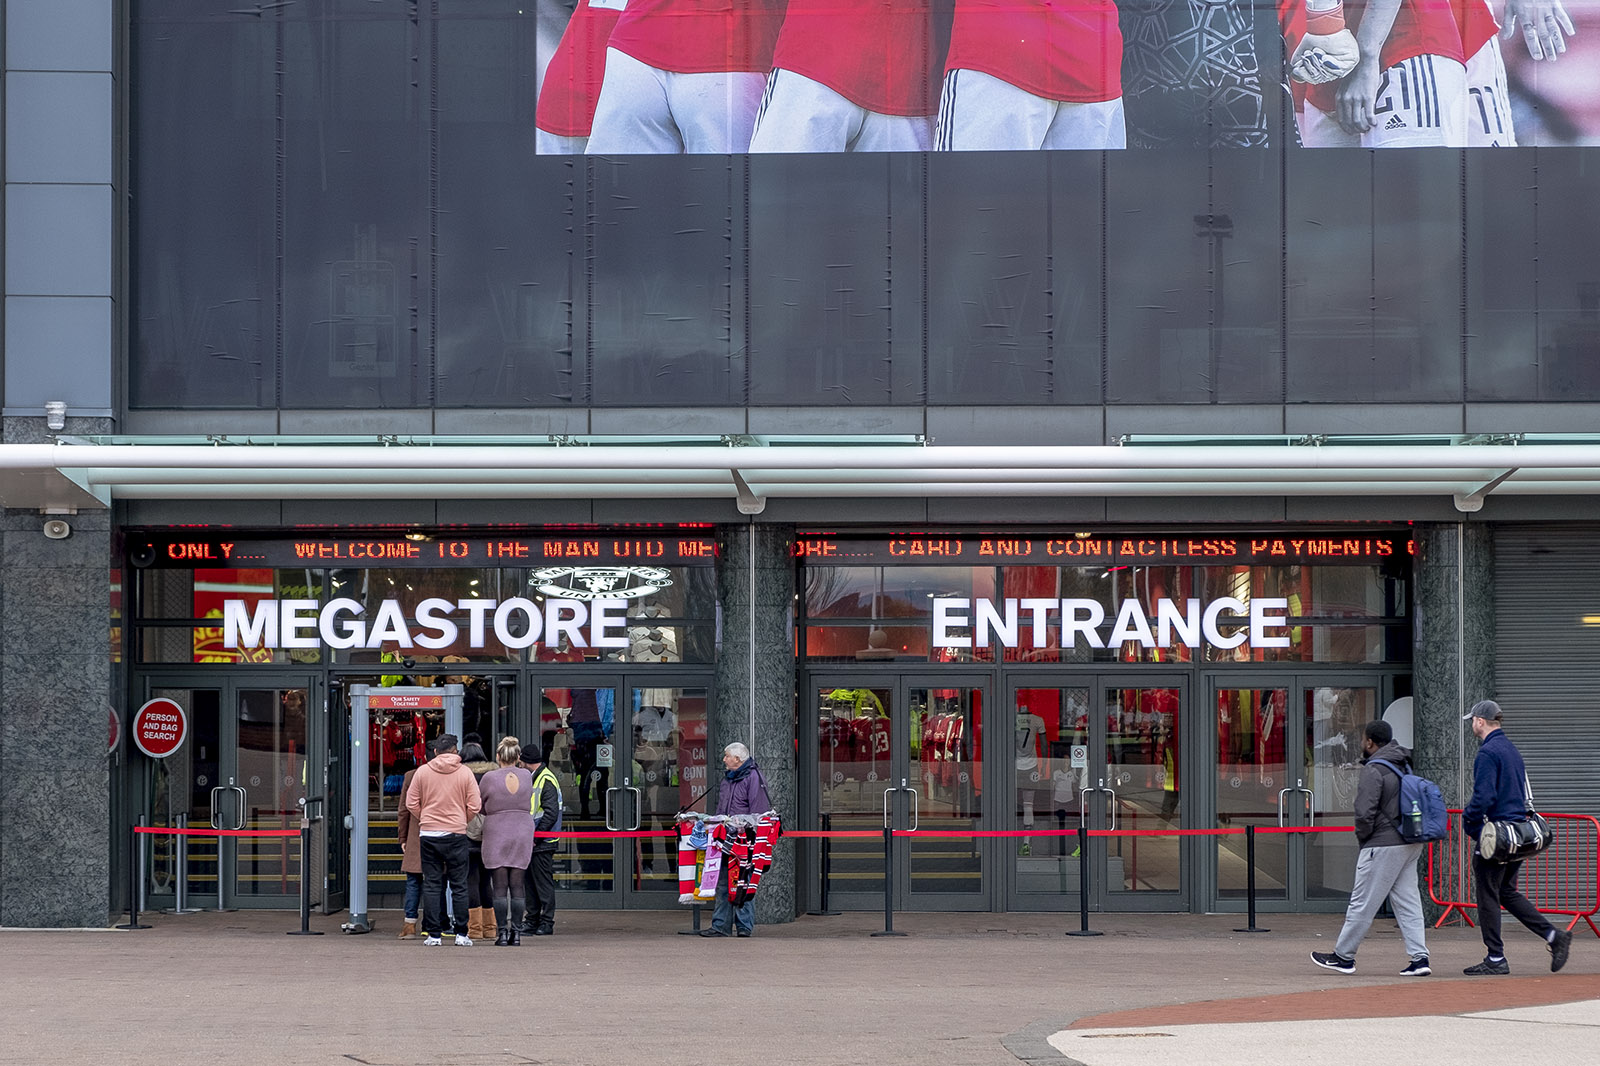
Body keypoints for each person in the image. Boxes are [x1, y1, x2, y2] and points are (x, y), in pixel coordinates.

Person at [1310, 720, 1431, 976]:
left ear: (1370, 742)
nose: (1362, 743)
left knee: (1362, 901)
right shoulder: (1404, 763)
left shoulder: (1374, 769)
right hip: (1410, 842)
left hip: (1383, 844)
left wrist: (1365, 839)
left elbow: (1364, 812)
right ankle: (1420, 958)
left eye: (1364, 739)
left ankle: (1344, 956)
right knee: (1409, 902)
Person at [1460, 699, 1573, 975]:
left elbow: (1483, 797)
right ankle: (1553, 937)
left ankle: (1496, 958)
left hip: (1498, 837)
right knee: (1506, 891)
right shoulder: (1511, 750)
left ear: (1479, 721)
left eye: (1472, 720)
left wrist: (1471, 823)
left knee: (1488, 894)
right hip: (1518, 834)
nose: (1472, 725)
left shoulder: (1488, 753)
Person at [403, 732, 482, 947]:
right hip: (456, 834)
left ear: (436, 751)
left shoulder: (422, 772)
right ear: (455, 751)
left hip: (429, 834)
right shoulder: (465, 773)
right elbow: (475, 804)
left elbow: (411, 803)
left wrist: (426, 818)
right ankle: (461, 934)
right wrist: (460, 820)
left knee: (432, 885)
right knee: (459, 885)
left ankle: (434, 934)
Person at [700, 741, 773, 938]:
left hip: (745, 840)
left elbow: (759, 813)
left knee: (744, 882)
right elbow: (721, 809)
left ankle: (744, 927)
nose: (724, 759)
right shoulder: (727, 780)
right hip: (725, 838)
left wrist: (742, 827)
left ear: (738, 759)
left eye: (727, 756)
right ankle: (720, 926)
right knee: (723, 882)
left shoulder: (754, 778)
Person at [479, 737, 537, 946]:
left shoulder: (489, 777)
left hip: (497, 829)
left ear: (498, 756)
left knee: (500, 885)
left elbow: (481, 805)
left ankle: (502, 933)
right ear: (518, 757)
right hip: (522, 828)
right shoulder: (527, 776)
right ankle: (518, 933)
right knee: (518, 884)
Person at [519, 741, 565, 937]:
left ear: (527, 762)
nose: (519, 767)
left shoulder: (545, 780)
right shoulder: (538, 777)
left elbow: (550, 813)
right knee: (530, 882)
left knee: (542, 883)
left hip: (542, 841)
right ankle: (532, 920)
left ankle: (546, 921)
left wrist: (536, 837)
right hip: (534, 839)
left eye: (521, 763)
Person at [394, 740, 435, 940]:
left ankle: (409, 925)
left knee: (413, 881)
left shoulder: (411, 776)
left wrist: (402, 836)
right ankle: (431, 923)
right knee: (436, 882)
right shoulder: (448, 775)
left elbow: (403, 810)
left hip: (415, 835)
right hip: (439, 833)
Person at [461, 739, 498, 942]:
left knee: (470, 880)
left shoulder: (461, 775)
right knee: (487, 881)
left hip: (466, 832)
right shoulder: (493, 775)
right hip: (491, 833)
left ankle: (474, 928)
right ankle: (490, 927)